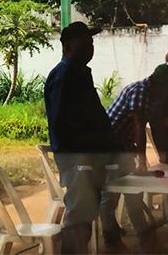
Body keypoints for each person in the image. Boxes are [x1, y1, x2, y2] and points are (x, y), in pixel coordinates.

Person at [44, 22, 118, 253]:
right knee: (78, 219)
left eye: (91, 42)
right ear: (67, 47)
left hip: (89, 158)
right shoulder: (64, 76)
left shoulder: (79, 73)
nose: (90, 47)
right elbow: (61, 123)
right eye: (84, 42)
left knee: (84, 217)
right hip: (78, 159)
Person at [100, 64, 168, 253]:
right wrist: (142, 162)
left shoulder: (154, 96)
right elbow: (139, 128)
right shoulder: (139, 91)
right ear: (161, 84)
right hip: (110, 146)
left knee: (133, 195)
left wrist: (163, 156)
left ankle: (148, 244)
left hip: (124, 146)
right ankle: (112, 242)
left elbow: (156, 124)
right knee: (110, 197)